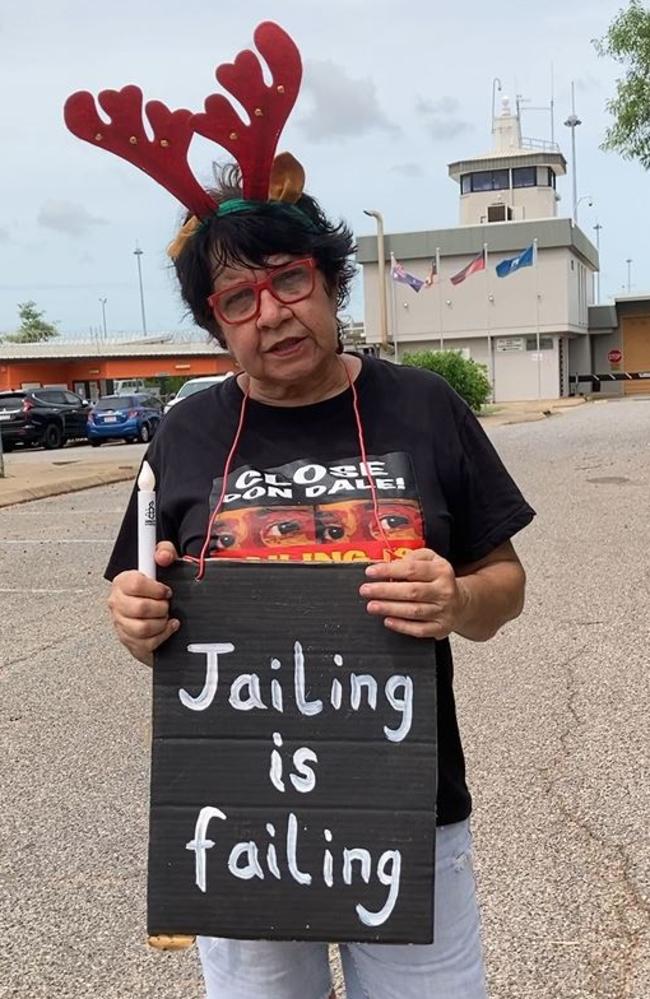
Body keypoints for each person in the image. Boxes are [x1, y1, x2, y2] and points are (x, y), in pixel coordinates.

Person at [67, 21, 534, 999]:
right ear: (214, 325)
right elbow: (140, 598)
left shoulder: (422, 407)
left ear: (326, 281)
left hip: (405, 812)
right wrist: (133, 616)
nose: (271, 312)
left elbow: (504, 588)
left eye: (289, 280)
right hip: (233, 822)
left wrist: (455, 600)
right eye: (237, 299)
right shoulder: (185, 437)